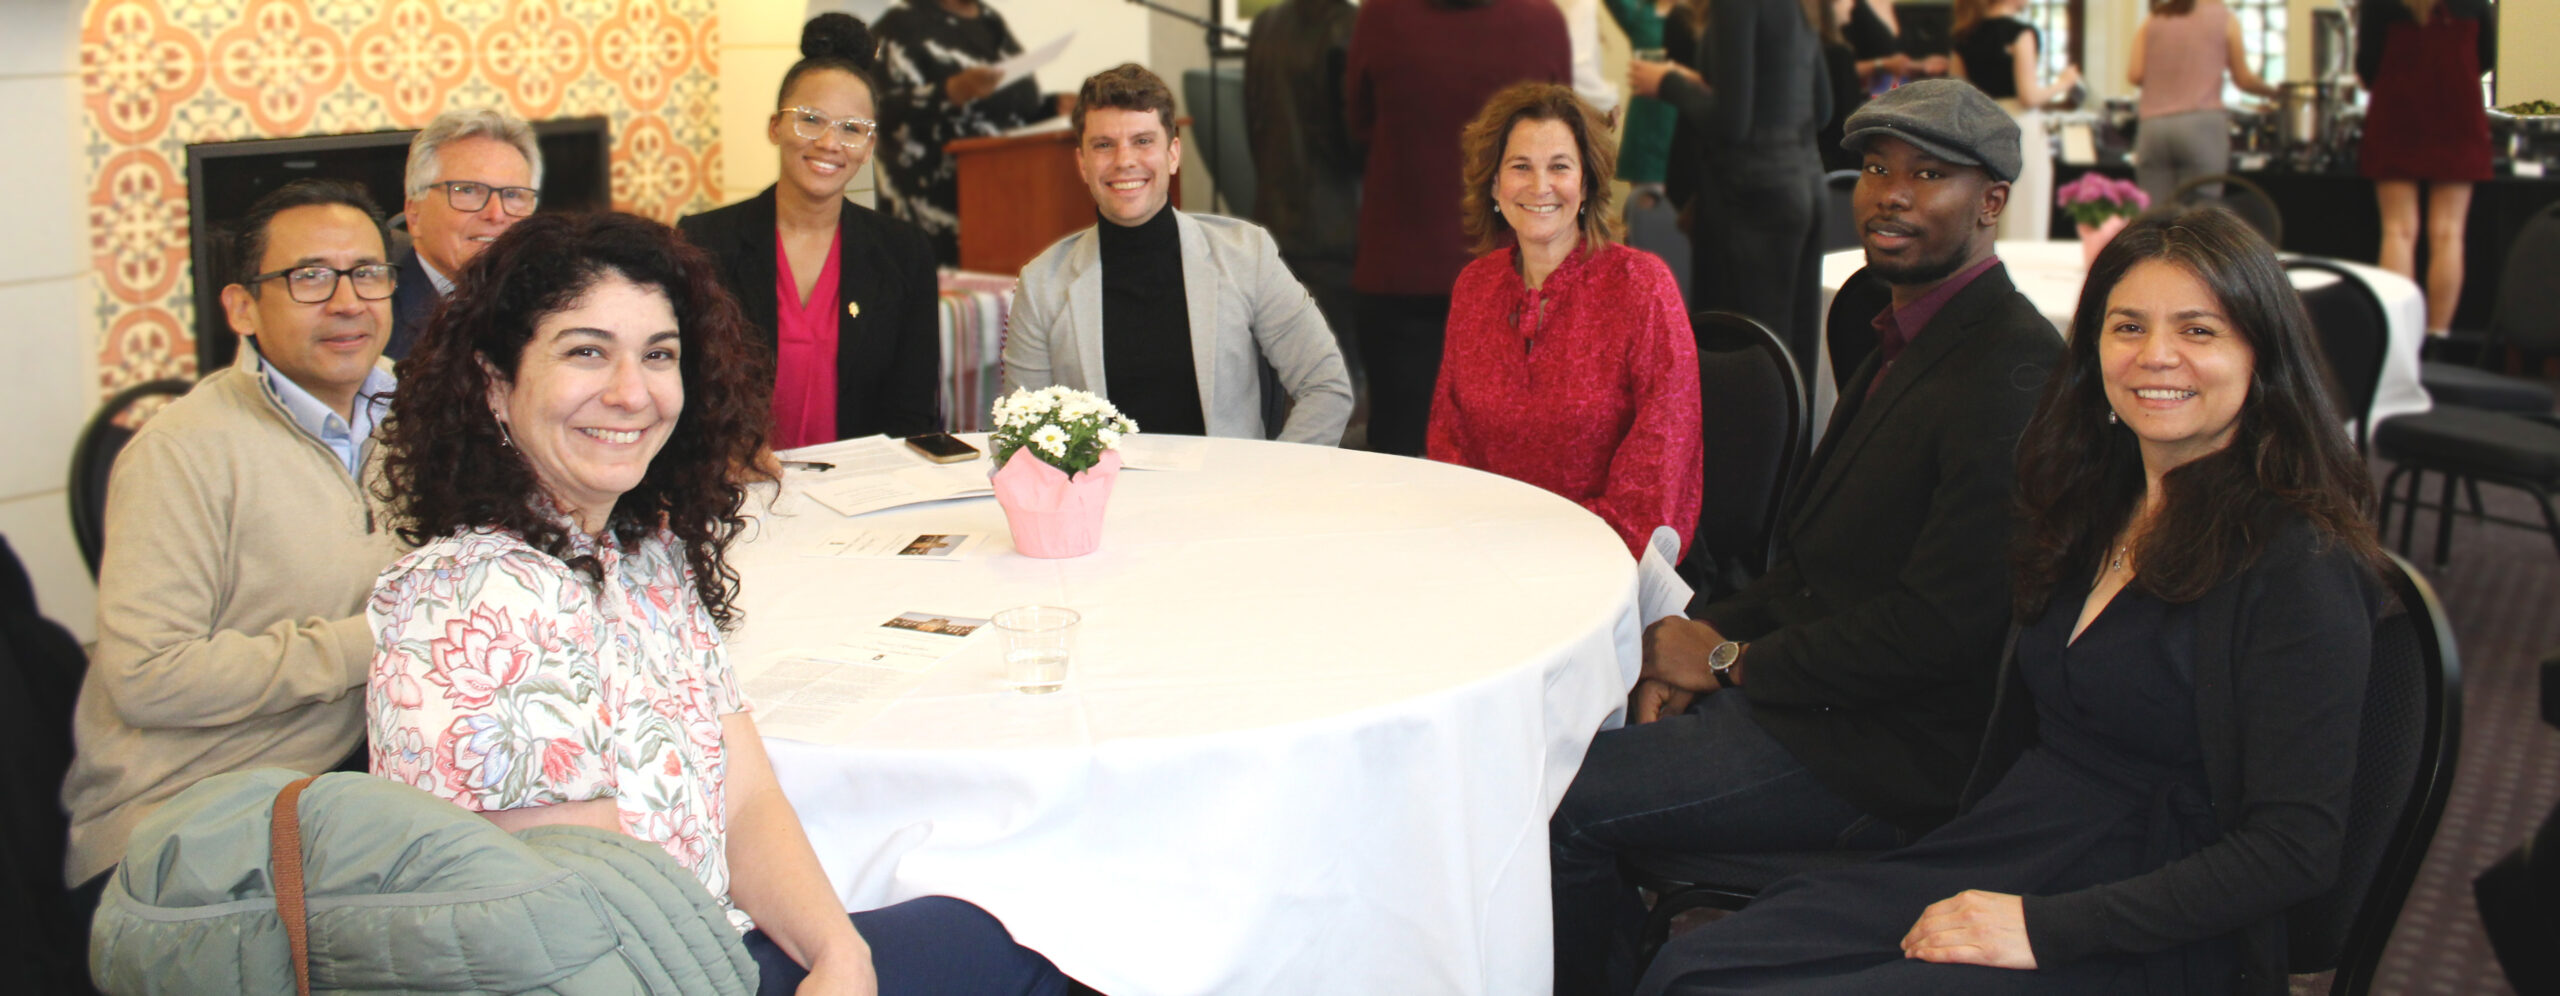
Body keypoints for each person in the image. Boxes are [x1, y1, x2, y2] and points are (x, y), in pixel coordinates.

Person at [1633, 206, 2387, 996]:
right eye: (2128, 326)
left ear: (2261, 354)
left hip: (2151, 922)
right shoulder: (2098, 499)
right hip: (2008, 845)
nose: (2156, 356)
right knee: (1695, 964)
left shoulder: (2300, 561)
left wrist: (2044, 928)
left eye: (2199, 331)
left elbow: (2296, 848)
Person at [368, 210, 1073, 996]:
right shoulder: (467, 602)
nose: (631, 393)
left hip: (711, 952)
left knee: (1022, 923)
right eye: (587, 352)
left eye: (658, 356)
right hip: (640, 979)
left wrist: (841, 957)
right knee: (1037, 955)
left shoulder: (644, 558)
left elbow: (746, 800)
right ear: (495, 384)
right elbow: (583, 931)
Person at [1547, 79, 2062, 996]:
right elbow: (1814, 568)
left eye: (1928, 173)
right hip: (1815, 700)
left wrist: (1730, 658)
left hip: (1888, 757)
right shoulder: (1902, 335)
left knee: (1556, 804)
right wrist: (1681, 651)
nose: (1890, 192)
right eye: (1874, 168)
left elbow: (1940, 630)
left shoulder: (2011, 375)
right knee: (1557, 742)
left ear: (1992, 203)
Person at [61, 179, 411, 931]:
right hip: (183, 820)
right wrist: (373, 641)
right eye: (309, 277)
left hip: (340, 790)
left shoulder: (416, 418)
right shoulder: (182, 452)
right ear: (241, 308)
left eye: (369, 273)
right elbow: (147, 677)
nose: (348, 301)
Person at [1007, 64, 1353, 445]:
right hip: (1102, 501)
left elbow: (1325, 386)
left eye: (1142, 141)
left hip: (1226, 496)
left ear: (1173, 154)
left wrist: (1268, 487)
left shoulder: (1245, 255)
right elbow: (1022, 433)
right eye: (1104, 145)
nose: (1124, 160)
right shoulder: (1041, 284)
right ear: (1082, 164)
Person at [1428, 83, 1701, 560]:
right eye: (1520, 167)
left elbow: (1659, 475)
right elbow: (1448, 441)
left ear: (1587, 183)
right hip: (1483, 555)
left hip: (1601, 562)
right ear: (1494, 186)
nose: (1539, 186)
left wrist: (1552, 553)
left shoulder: (1642, 287)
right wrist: (1475, 541)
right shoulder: (1474, 286)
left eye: (1559, 166)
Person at [681, 13, 941, 447]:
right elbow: (684, 392)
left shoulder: (904, 252)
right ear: (775, 127)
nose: (829, 143)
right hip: (736, 489)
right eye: (811, 119)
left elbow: (913, 412)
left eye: (852, 129)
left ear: (869, 148)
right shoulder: (705, 242)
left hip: (861, 493)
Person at [1345, 0, 1571, 456]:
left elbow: (1357, 127)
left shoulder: (1381, 16)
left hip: (1402, 268)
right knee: (1512, 458)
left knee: (1399, 454)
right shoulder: (1542, 20)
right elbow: (1560, 138)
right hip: (1514, 272)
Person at [1629, 0, 1832, 388]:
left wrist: (1668, 84)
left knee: (1744, 361)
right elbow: (1821, 107)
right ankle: (1796, 451)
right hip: (1805, 186)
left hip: (1751, 200)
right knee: (1793, 357)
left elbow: (1731, 123)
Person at [873, 0, 1074, 266]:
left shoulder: (990, 20)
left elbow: (1007, 112)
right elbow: (877, 111)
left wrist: (1051, 107)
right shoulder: (901, 25)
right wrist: (948, 92)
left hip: (1001, 206)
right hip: (931, 215)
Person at [2358, 0, 2496, 337]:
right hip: (2457, 112)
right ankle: (2437, 336)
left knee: (2398, 231)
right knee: (2449, 233)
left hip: (2397, 113)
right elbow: (2487, 58)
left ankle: (2400, 337)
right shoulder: (2475, 3)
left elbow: (2368, 66)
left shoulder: (2379, 4)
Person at [1245, 0, 1365, 381]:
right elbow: (1356, 140)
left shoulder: (1266, 25)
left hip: (1273, 215)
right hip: (1338, 224)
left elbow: (1253, 120)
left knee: (1281, 373)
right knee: (1339, 376)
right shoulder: (1349, 25)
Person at [389, 107, 543, 361]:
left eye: (513, 195)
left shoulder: (550, 303)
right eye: (469, 191)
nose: (496, 214)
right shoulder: (379, 323)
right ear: (414, 214)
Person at [2128, 0, 2280, 207]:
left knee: (2154, 220)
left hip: (2153, 128)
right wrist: (2276, 93)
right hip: (2200, 127)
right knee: (2199, 220)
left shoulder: (2153, 19)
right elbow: (2244, 79)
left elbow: (2135, 74)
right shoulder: (2224, 18)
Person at [1950, 0, 2078, 242]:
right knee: (2025, 213)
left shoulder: (1964, 37)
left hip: (1982, 128)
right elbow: (2029, 96)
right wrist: (2065, 82)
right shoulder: (2021, 34)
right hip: (2020, 128)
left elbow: (1962, 94)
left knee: (1988, 211)